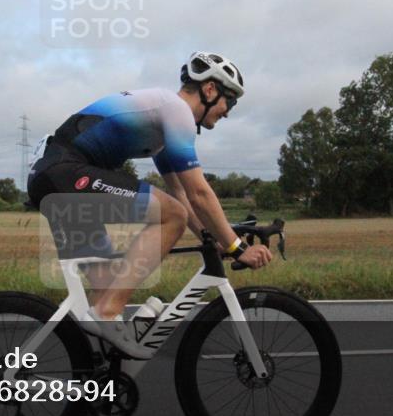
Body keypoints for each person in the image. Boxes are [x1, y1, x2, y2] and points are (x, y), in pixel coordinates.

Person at [27, 51, 273, 360]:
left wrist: (211, 237)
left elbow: (181, 194)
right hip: (65, 173)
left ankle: (99, 377)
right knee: (169, 218)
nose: (228, 113)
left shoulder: (162, 129)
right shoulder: (177, 111)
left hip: (55, 178)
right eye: (230, 102)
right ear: (210, 89)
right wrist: (237, 247)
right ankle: (107, 312)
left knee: (109, 293)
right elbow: (198, 194)